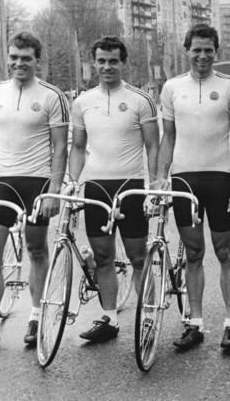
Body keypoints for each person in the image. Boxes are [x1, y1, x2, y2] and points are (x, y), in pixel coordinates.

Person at [0, 31, 69, 352]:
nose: (18, 63)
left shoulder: (52, 95)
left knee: (37, 251)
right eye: (13, 57)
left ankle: (36, 316)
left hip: (36, 184)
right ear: (7, 58)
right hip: (2, 182)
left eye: (25, 58)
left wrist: (54, 189)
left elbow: (61, 146)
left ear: (36, 60)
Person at [156, 23, 230, 353]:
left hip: (218, 179)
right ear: (187, 51)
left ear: (216, 51)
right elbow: (168, 139)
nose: (203, 55)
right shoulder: (171, 87)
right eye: (197, 49)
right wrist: (159, 178)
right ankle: (194, 323)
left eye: (209, 49)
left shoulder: (229, 86)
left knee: (224, 251)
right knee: (194, 253)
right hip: (184, 181)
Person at [68, 36, 159, 343]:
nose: (107, 66)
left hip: (130, 186)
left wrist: (154, 185)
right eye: (102, 61)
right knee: (103, 257)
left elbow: (153, 146)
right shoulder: (82, 102)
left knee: (137, 257)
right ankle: (109, 318)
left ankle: (147, 315)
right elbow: (78, 147)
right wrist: (73, 180)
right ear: (94, 62)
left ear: (124, 63)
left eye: (113, 61)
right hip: (95, 188)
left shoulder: (139, 100)